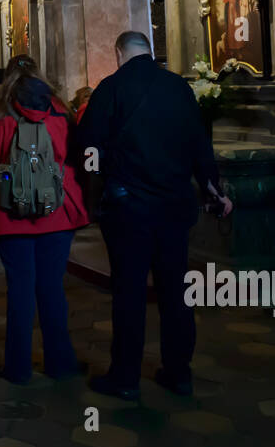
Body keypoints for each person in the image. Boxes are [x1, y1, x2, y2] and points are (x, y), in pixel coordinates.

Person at [78, 32, 233, 401]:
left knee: (129, 293)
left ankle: (126, 378)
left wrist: (98, 181)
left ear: (119, 52)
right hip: (174, 206)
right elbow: (200, 142)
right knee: (175, 292)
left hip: (129, 208)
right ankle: (179, 373)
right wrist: (213, 187)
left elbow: (87, 146)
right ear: (148, 50)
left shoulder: (112, 88)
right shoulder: (178, 87)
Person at [0, 55, 89, 384]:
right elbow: (77, 153)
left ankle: (18, 367)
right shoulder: (61, 110)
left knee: (20, 288)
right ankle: (60, 363)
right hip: (56, 210)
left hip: (9, 210)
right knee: (52, 288)